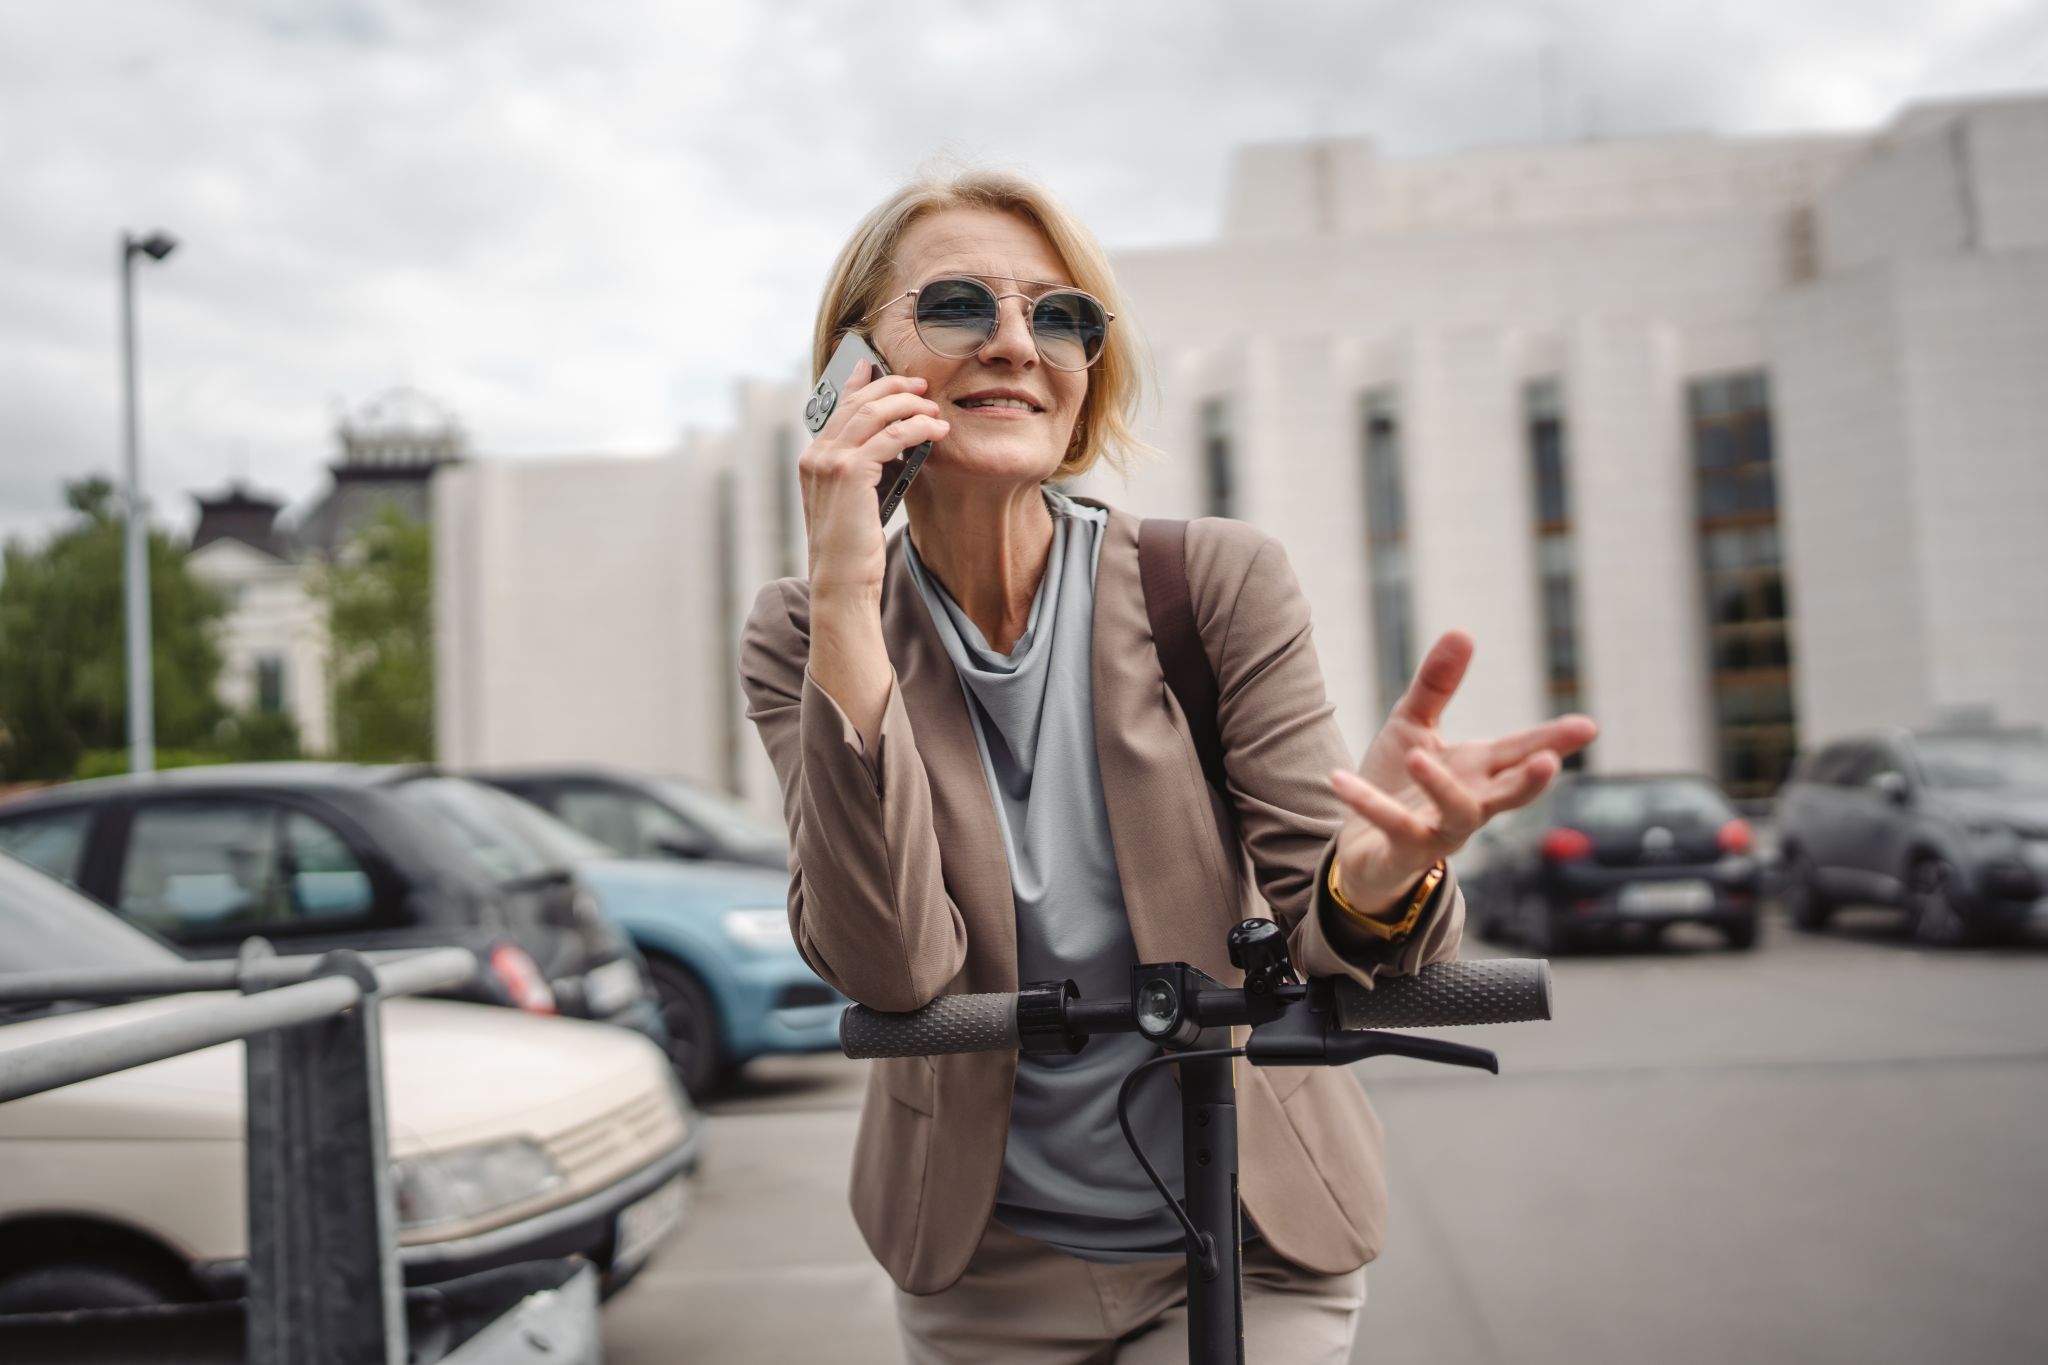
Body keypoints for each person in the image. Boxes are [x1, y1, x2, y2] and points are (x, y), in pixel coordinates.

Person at [739, 167, 1598, 1365]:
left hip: (1248, 1232)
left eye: (1057, 315)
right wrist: (843, 587)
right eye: (953, 307)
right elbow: (894, 970)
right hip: (981, 1264)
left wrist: (1382, 870)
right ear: (852, 366)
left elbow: (1337, 927)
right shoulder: (801, 629)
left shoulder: (1214, 583)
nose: (1010, 344)